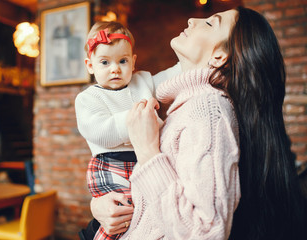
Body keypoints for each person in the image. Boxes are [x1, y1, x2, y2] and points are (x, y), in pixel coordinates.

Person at [90, 6, 307, 240]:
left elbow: (205, 232)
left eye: (211, 23)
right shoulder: (184, 106)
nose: (193, 19)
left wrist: (147, 151)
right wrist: (100, 205)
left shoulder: (208, 109)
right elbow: (155, 205)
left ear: (219, 56)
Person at [75, 21, 180, 240]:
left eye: (122, 61)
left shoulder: (142, 81)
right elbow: (100, 131)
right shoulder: (88, 98)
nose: (115, 68)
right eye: (104, 62)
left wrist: (197, 62)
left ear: (133, 62)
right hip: (109, 163)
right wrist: (140, 117)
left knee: (143, 213)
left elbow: (173, 76)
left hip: (141, 162)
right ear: (90, 65)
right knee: (123, 215)